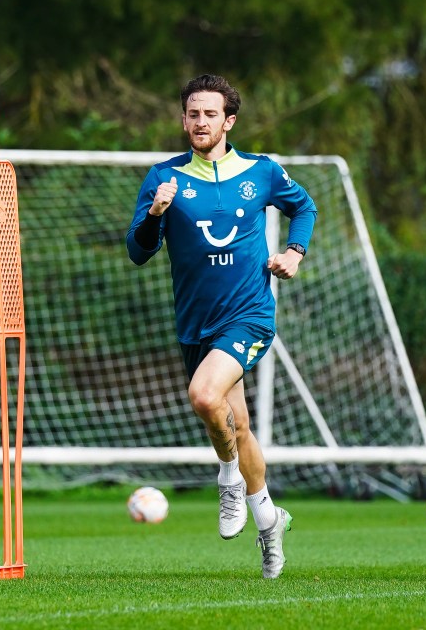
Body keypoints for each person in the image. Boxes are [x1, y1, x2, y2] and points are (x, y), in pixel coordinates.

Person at [126, 74, 317, 579]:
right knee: (240, 426)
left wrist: (295, 252)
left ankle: (229, 478)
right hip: (195, 325)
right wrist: (155, 214)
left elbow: (304, 206)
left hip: (249, 315)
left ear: (228, 121)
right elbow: (138, 251)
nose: (200, 121)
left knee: (206, 398)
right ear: (183, 118)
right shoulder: (164, 177)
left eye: (210, 114)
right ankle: (270, 522)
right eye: (192, 113)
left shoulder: (261, 170)